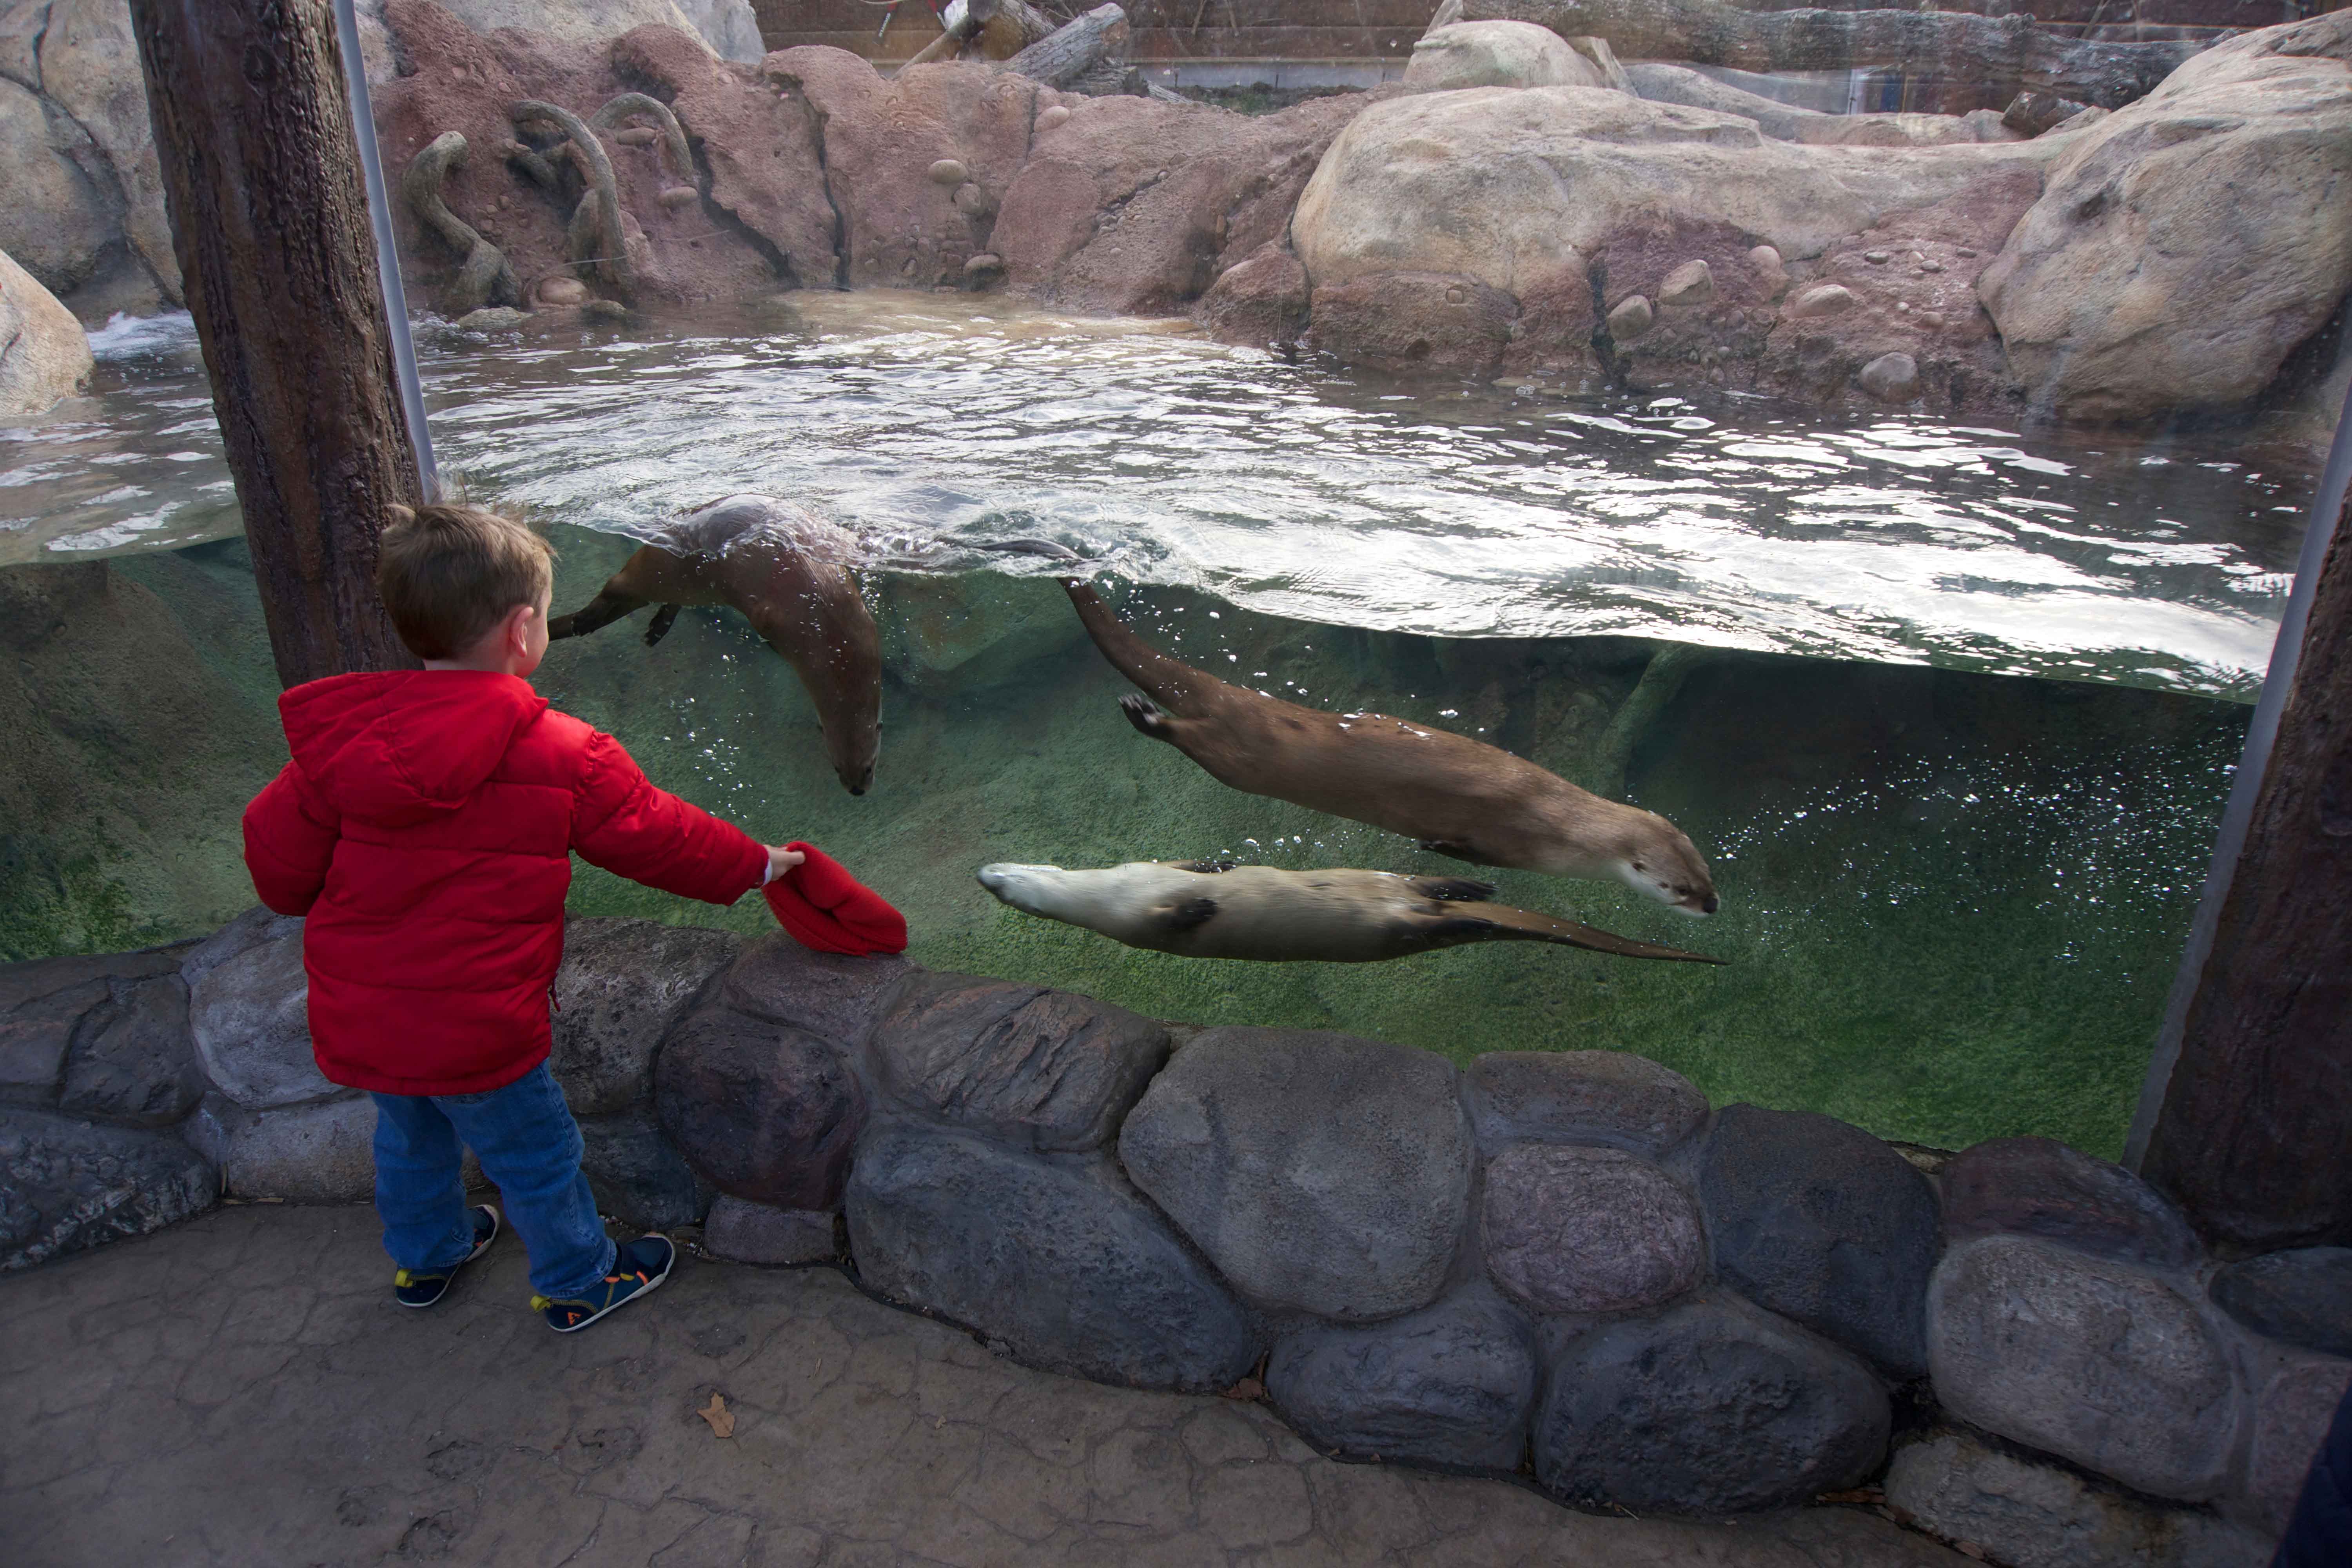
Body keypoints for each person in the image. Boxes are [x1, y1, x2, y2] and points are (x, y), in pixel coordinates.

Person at [241, 503, 801, 1333]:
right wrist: (754, 862)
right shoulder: (563, 751)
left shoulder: (341, 746)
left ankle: (427, 1257)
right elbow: (658, 835)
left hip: (368, 1019)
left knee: (409, 1141)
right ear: (522, 630)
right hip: (482, 1026)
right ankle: (579, 1278)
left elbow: (278, 864)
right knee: (537, 1157)